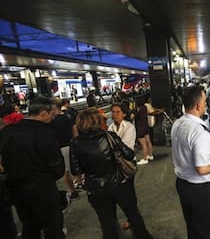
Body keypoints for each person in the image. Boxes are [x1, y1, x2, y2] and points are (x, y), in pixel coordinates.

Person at [70, 108, 152, 239]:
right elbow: (129, 154)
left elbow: (76, 170)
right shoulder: (109, 136)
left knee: (107, 223)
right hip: (119, 183)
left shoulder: (75, 143)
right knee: (133, 215)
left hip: (96, 188)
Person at [0, 96, 65, 239]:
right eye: (52, 114)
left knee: (30, 226)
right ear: (43, 113)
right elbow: (56, 164)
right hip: (42, 188)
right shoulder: (45, 132)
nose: (53, 118)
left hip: (17, 190)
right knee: (53, 227)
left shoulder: (8, 131)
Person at [171, 85, 210, 239]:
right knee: (204, 231)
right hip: (198, 189)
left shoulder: (178, 123)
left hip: (182, 184)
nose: (206, 104)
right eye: (205, 102)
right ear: (198, 105)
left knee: (192, 226)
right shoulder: (199, 132)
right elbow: (201, 169)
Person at [50, 99, 80, 201]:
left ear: (54, 107)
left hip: (61, 147)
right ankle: (79, 182)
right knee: (76, 165)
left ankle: (73, 192)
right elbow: (74, 129)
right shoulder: (67, 115)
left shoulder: (52, 120)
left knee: (66, 172)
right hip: (71, 144)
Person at [134, 97, 154, 165]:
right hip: (146, 126)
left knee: (143, 145)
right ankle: (150, 155)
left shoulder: (138, 109)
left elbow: (134, 116)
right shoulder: (145, 107)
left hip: (140, 127)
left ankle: (145, 159)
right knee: (148, 141)